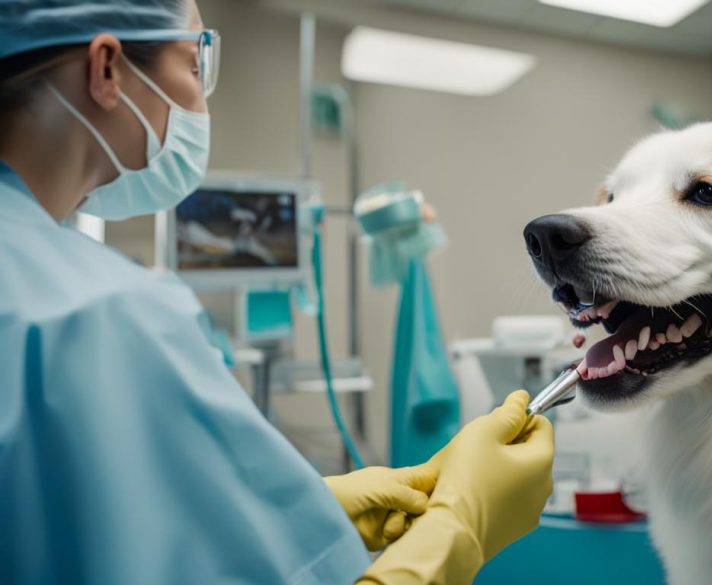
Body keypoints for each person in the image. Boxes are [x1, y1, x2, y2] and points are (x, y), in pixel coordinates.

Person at [0, 1, 554, 584]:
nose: (199, 102)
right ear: (107, 68)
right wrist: (460, 527)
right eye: (195, 65)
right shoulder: (104, 318)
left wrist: (309, 503)